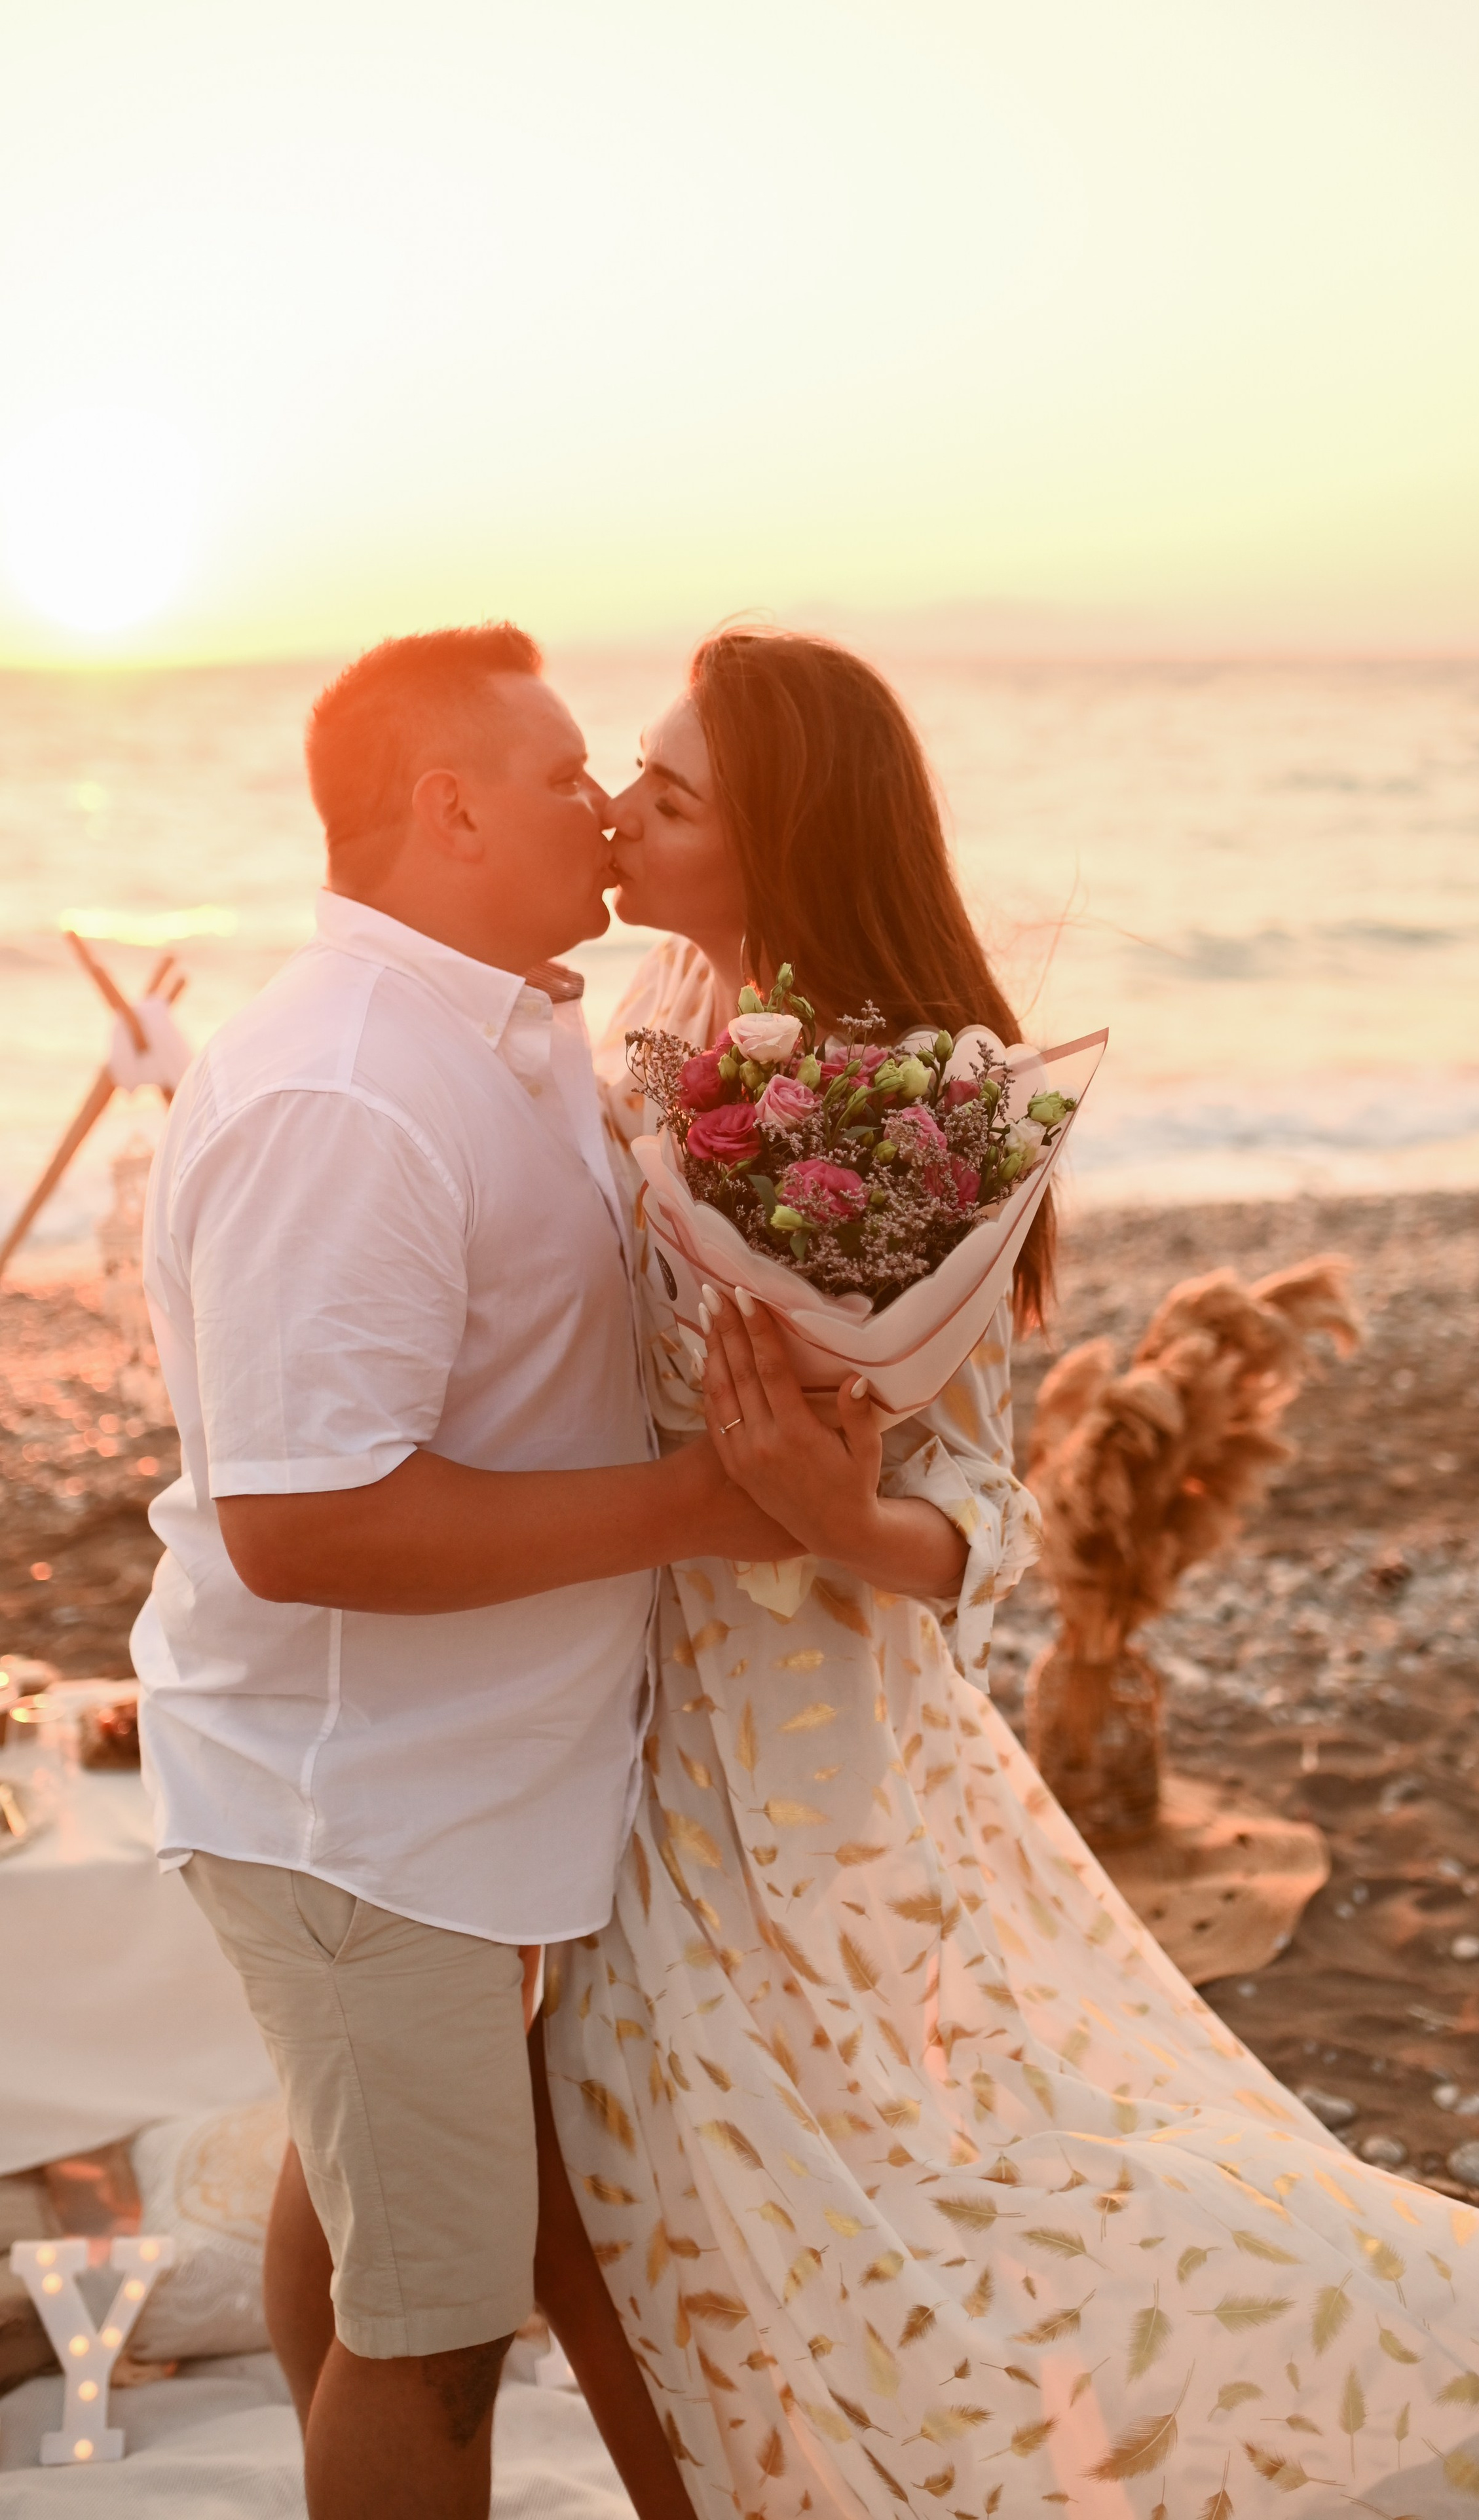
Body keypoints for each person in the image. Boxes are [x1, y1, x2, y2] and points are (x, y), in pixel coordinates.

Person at [540, 626, 1479, 2519]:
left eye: (671, 791)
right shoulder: (640, 1031)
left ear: (788, 831)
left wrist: (828, 1512)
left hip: (828, 1756)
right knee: (655, 2178)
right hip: (619, 1722)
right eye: (632, 775)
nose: (620, 808)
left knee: (982, 2190)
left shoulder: (923, 1095)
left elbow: (970, 1513)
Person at [133, 625, 792, 2520]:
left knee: (368, 2242)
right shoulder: (345, 1091)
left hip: (455, 1785)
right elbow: (310, 1522)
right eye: (566, 770)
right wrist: (706, 1505)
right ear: (447, 805)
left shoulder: (502, 1028)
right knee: (432, 2331)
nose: (601, 805)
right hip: (362, 1810)